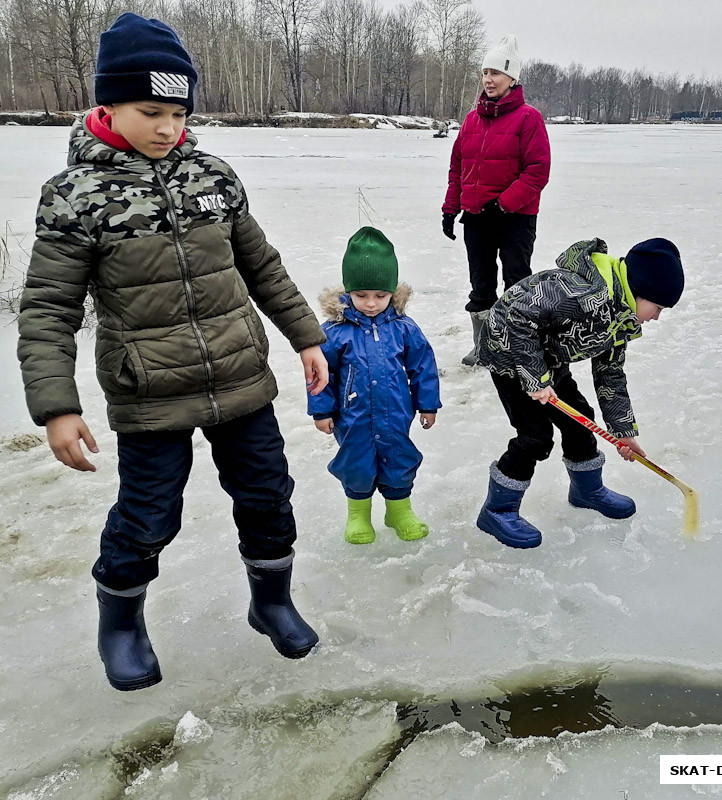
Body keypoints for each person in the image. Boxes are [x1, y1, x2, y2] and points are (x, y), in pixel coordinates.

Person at [16, 13, 329, 691]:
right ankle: (121, 621)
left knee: (269, 497)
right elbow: (48, 309)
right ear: (108, 105)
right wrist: (56, 407)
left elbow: (263, 267)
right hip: (149, 391)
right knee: (150, 514)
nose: (166, 128)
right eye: (149, 111)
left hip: (240, 378)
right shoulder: (76, 198)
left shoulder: (213, 176)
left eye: (178, 113)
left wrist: (306, 335)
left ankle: (270, 600)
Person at [475, 237, 685, 548]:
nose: (656, 316)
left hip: (548, 359)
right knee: (536, 435)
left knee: (580, 419)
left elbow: (610, 373)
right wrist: (535, 379)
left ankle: (586, 490)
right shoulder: (577, 292)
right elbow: (519, 317)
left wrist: (623, 431)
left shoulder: (620, 314)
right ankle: (498, 510)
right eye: (658, 307)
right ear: (640, 291)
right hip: (509, 354)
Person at [308, 227, 441, 544]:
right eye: (361, 295)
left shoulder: (404, 328)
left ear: (392, 292)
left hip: (395, 413)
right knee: (357, 464)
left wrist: (428, 404)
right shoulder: (334, 332)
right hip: (352, 417)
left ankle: (398, 511)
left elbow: (423, 366)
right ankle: (358, 515)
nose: (371, 303)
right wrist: (321, 411)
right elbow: (319, 374)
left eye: (380, 296)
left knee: (398, 459)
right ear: (348, 293)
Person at [441, 34, 551, 366]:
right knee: (481, 285)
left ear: (512, 78)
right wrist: (450, 209)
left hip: (514, 218)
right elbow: (458, 167)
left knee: (517, 283)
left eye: (496, 73)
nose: (488, 80)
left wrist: (502, 204)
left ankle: (519, 348)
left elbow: (537, 171)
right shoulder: (472, 120)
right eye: (485, 72)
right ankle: (486, 347)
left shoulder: (528, 119)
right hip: (476, 219)